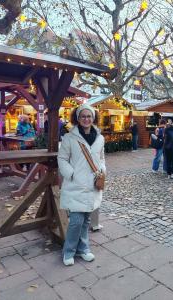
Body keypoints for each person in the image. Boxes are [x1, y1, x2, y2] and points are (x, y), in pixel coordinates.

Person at [58, 104, 106, 266]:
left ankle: (83, 249)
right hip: (76, 184)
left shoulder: (100, 138)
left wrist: (102, 170)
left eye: (89, 116)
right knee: (76, 221)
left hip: (93, 183)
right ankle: (69, 251)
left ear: (93, 118)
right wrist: (71, 173)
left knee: (86, 220)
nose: (86, 119)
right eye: (83, 116)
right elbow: (62, 158)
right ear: (77, 118)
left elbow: (101, 158)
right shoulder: (69, 138)